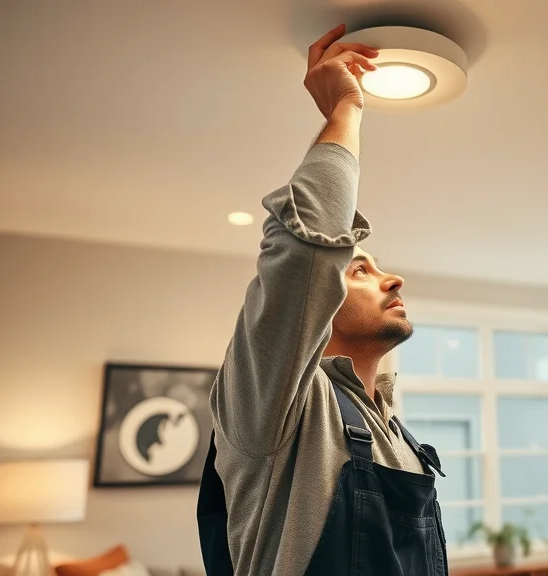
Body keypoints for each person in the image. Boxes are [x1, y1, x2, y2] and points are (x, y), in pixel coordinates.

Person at [196, 23, 449, 576]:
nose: (394, 279)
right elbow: (306, 249)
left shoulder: (391, 428)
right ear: (321, 296)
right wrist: (345, 110)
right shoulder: (275, 406)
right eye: (360, 268)